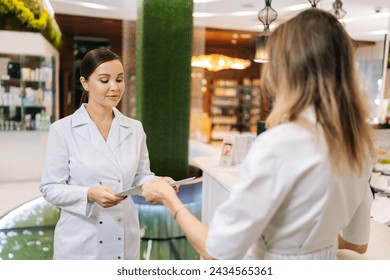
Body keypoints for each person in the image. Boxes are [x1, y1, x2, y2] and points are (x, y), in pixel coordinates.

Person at [142, 8, 375, 260]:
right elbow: (357, 243)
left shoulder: (280, 143)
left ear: (288, 70)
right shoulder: (359, 144)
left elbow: (217, 252)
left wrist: (169, 200)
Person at [40, 48, 172, 260]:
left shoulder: (134, 128)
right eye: (104, 80)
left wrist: (158, 182)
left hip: (123, 237)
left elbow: (140, 176)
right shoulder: (63, 129)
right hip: (81, 242)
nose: (114, 87)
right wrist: (89, 194)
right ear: (84, 83)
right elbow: (50, 188)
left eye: (119, 79)